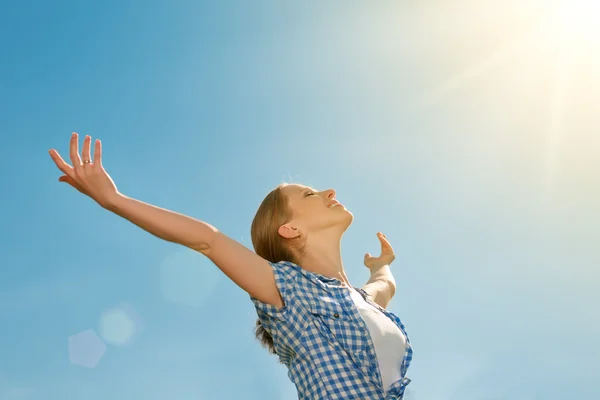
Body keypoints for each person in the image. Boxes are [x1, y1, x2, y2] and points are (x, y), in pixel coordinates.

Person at [48, 133, 413, 399]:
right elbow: (208, 239)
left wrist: (382, 265)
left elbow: (385, 284)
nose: (329, 192)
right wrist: (113, 200)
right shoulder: (287, 288)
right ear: (289, 229)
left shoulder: (363, 300)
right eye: (310, 195)